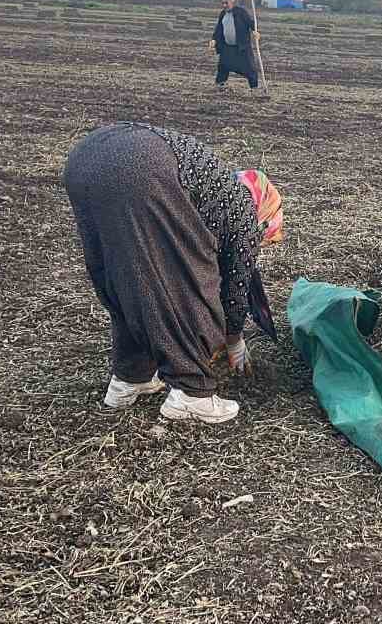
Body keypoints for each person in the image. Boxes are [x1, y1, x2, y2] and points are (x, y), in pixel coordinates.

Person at [62, 122, 285, 423]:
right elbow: (235, 286)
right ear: (266, 211)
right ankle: (192, 394)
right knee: (188, 284)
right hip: (140, 165)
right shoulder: (246, 212)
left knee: (127, 279)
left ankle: (130, 378)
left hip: (86, 157)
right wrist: (234, 339)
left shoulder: (216, 190)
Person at [211, 0, 260, 90]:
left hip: (241, 47)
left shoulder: (241, 12)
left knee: (250, 69)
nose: (224, 5)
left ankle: (254, 88)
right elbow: (219, 29)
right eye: (223, 3)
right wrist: (214, 39)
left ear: (232, 2)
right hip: (227, 47)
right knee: (223, 66)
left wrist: (255, 31)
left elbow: (251, 23)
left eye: (226, 3)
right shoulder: (222, 14)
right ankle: (220, 84)